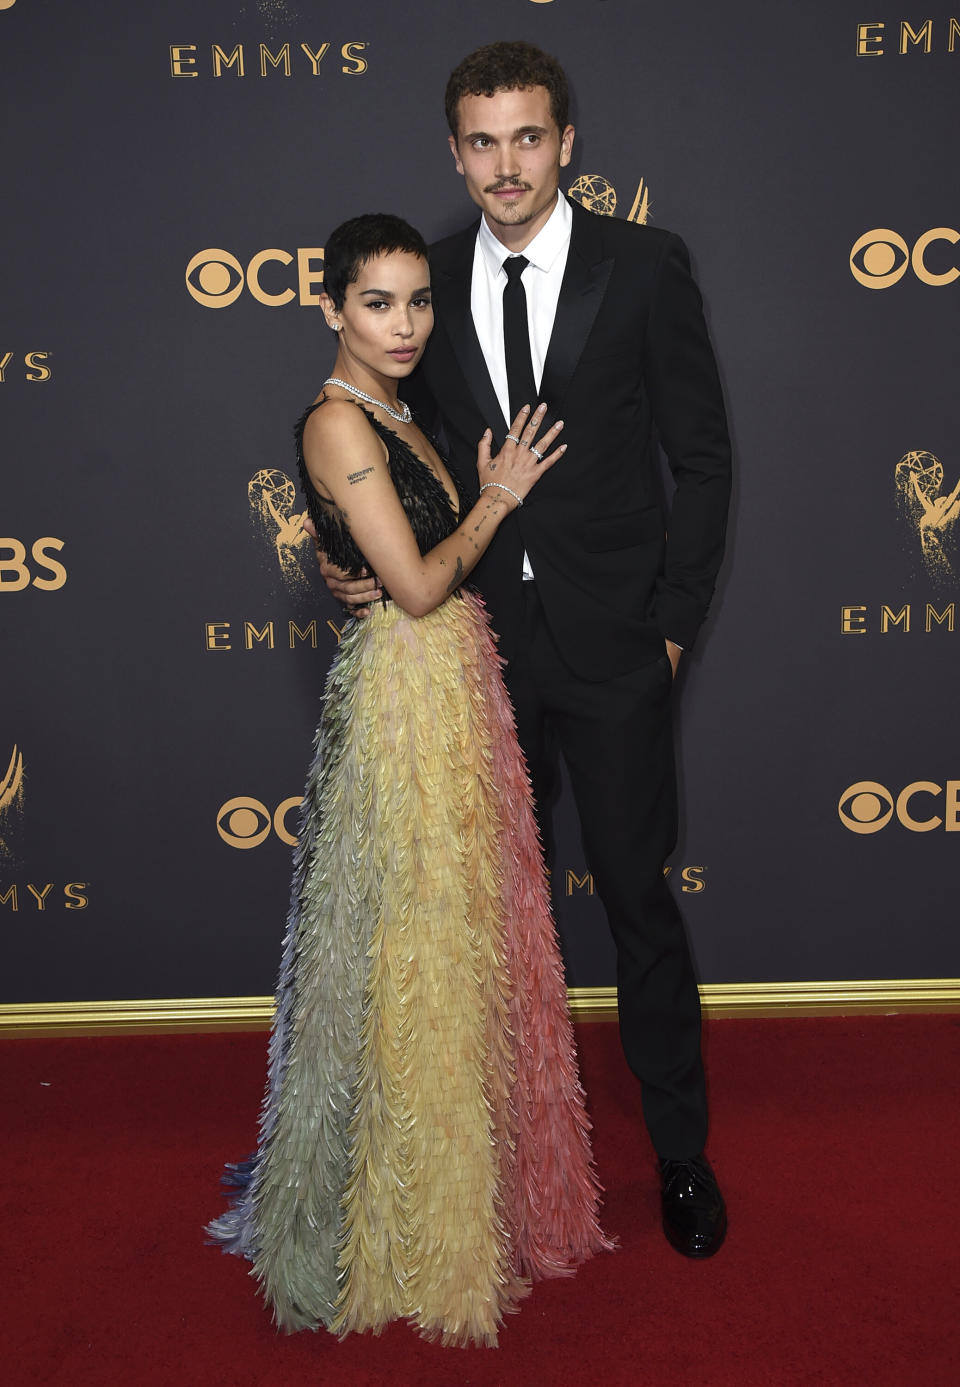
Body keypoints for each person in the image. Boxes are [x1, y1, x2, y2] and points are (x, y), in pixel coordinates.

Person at [319, 42, 733, 1259]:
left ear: (567, 144)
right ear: (455, 153)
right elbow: (383, 451)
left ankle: (681, 1154)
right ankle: (500, 1162)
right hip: (477, 651)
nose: (507, 165)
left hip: (615, 654)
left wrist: (669, 630)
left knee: (639, 903)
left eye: (529, 138)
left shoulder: (646, 268)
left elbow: (703, 459)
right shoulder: (426, 287)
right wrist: (337, 558)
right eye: (482, 142)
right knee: (491, 918)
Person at [206, 213, 614, 1348]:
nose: (403, 324)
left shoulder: (395, 411)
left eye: (419, 301)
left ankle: (465, 1201)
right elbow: (421, 588)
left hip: (451, 694)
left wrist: (448, 509)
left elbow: (389, 569)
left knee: (459, 950)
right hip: (408, 704)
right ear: (331, 306)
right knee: (417, 959)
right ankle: (402, 1226)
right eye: (378, 303)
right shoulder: (339, 419)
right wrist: (501, 497)